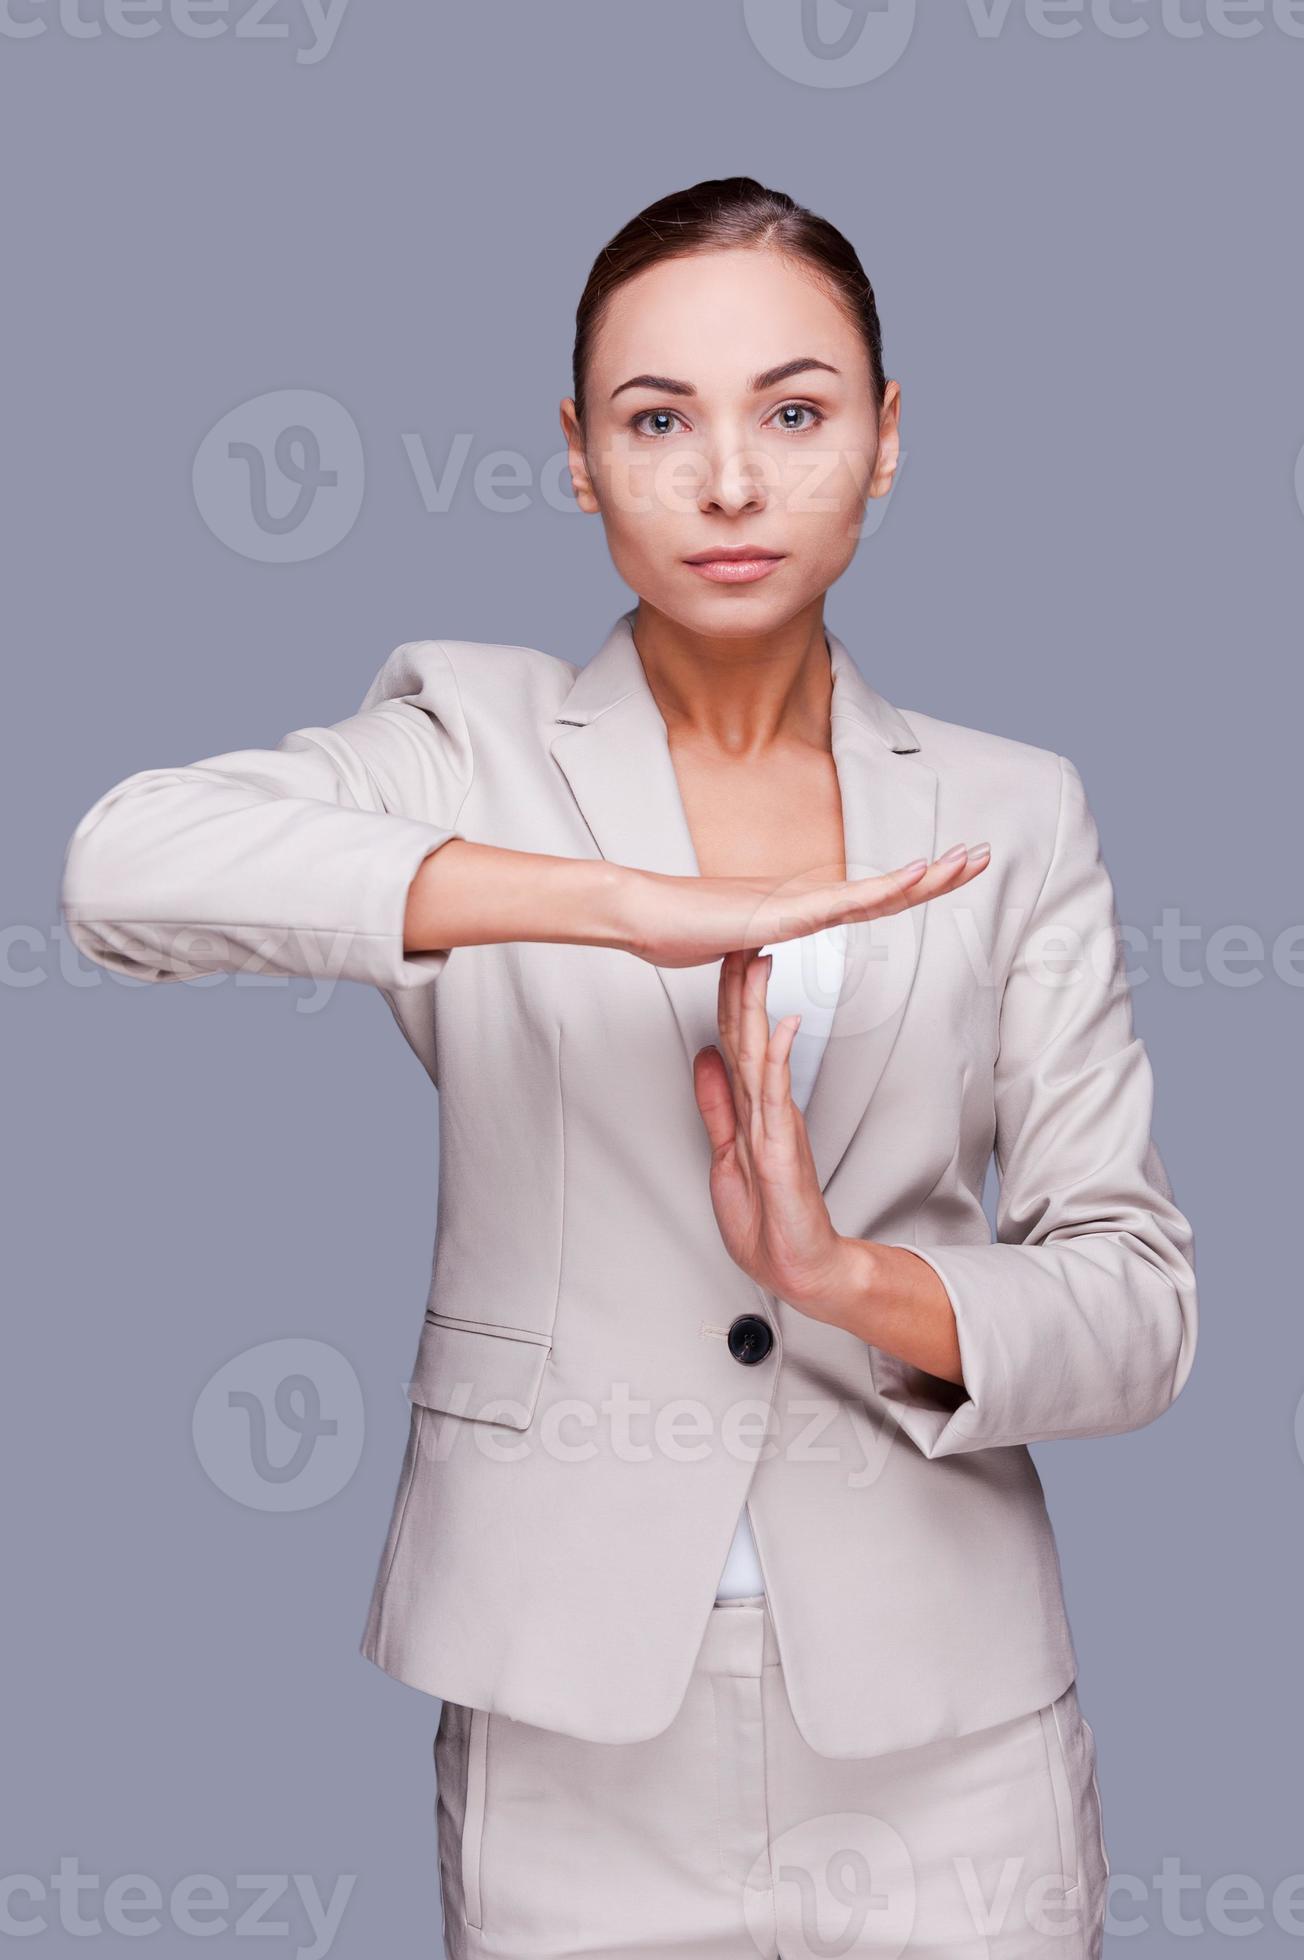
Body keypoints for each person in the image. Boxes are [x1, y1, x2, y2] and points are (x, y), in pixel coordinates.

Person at [60, 176, 1197, 1958]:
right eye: (657, 420)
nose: (728, 481)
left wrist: (847, 1280)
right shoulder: (469, 738)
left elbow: (1137, 1308)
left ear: (887, 440)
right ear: (578, 457)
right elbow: (121, 870)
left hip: (946, 1736)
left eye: (796, 412)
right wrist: (610, 900)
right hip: (569, 1718)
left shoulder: (1012, 808)